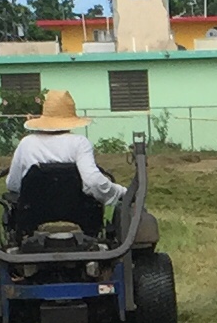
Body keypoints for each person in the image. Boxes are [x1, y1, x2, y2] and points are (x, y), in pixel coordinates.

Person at [7, 88, 131, 237]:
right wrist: (121, 192)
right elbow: (93, 182)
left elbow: (13, 185)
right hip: (81, 215)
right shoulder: (80, 143)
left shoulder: (27, 143)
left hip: (33, 216)